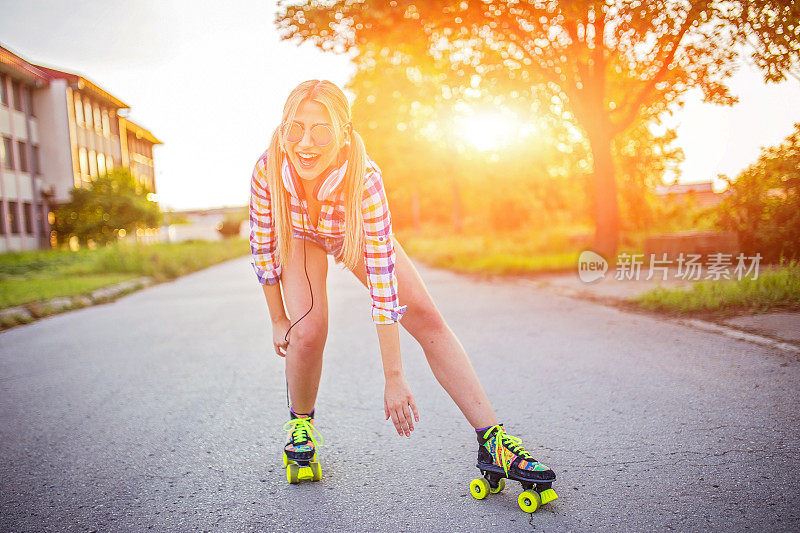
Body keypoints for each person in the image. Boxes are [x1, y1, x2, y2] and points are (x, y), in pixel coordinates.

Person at [249, 79, 555, 487]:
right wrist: (276, 317)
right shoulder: (268, 168)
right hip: (300, 235)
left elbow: (383, 285)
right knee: (306, 331)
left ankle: (493, 440)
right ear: (284, 128)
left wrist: (393, 376)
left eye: (321, 130)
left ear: (342, 134)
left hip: (349, 232)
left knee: (426, 316)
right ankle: (300, 425)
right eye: (296, 128)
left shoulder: (365, 179)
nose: (306, 142)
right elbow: (265, 247)